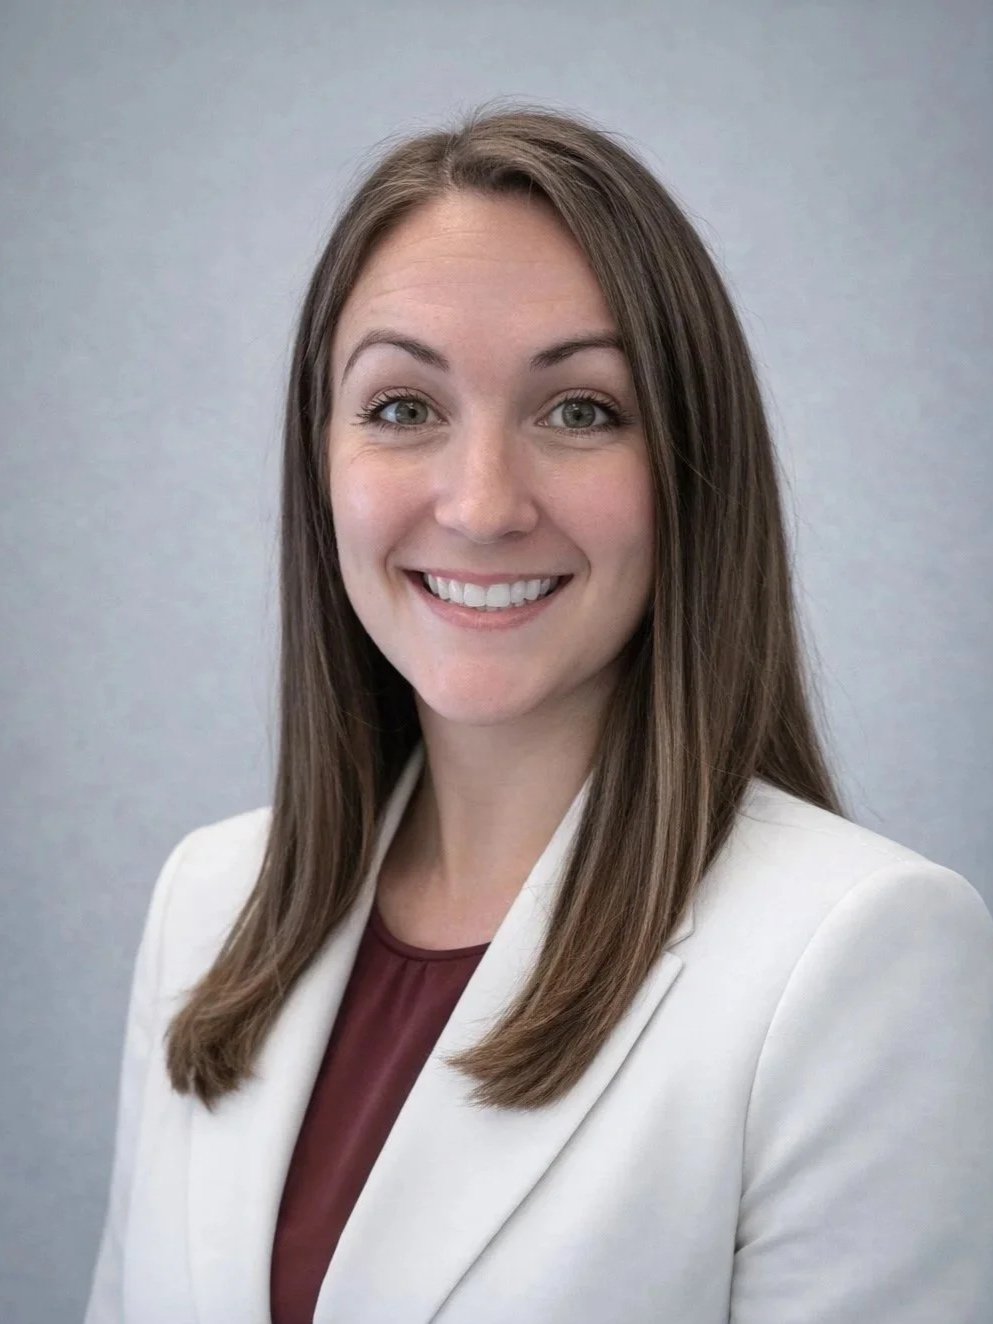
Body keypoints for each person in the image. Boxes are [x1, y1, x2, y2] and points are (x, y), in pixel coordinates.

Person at [83, 101, 993, 1324]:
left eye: (580, 410)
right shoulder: (207, 906)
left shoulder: (858, 956)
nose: (482, 502)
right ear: (322, 461)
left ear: (690, 468)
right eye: (405, 407)